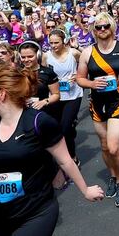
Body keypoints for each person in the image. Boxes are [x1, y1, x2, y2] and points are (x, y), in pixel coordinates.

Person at [0, 65, 104, 236]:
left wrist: (85, 190)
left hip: (35, 211)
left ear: (1, 94)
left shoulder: (38, 122)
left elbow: (65, 160)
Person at [75, 12, 119, 207]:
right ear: (94, 30)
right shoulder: (88, 52)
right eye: (98, 27)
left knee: (114, 146)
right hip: (97, 103)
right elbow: (80, 78)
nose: (102, 30)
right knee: (104, 146)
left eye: (105, 26)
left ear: (112, 28)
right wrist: (91, 84)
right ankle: (113, 176)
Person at [42, 29, 83, 164]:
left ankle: (72, 157)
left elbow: (87, 64)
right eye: (51, 43)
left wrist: (77, 76)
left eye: (56, 43)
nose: (53, 46)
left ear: (63, 41)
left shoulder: (73, 53)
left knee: (65, 128)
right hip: (56, 95)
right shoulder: (46, 56)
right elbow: (43, 75)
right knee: (59, 128)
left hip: (73, 94)